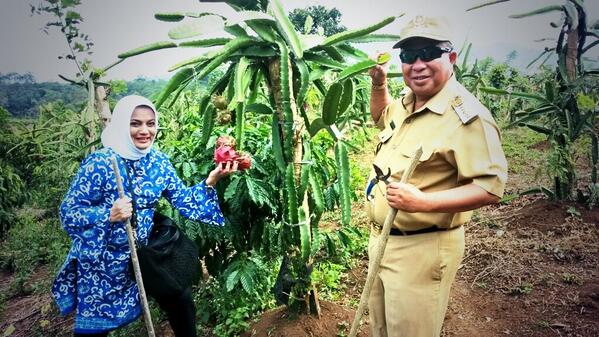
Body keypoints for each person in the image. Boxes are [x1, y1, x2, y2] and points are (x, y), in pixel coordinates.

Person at [365, 15, 508, 337]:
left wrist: (424, 202)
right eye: (408, 56)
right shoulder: (406, 103)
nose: (418, 64)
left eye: (429, 54)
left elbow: (491, 186)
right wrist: (379, 84)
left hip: (422, 249)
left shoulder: (467, 117)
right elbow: (379, 116)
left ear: (451, 58)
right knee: (382, 329)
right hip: (381, 241)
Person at [52, 95, 237, 336]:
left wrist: (211, 181)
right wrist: (108, 214)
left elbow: (182, 200)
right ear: (121, 125)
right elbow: (69, 212)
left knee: (180, 300)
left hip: (145, 255)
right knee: (93, 329)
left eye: (150, 123)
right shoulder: (100, 163)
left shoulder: (158, 162)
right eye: (135, 123)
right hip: (103, 263)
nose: (144, 131)